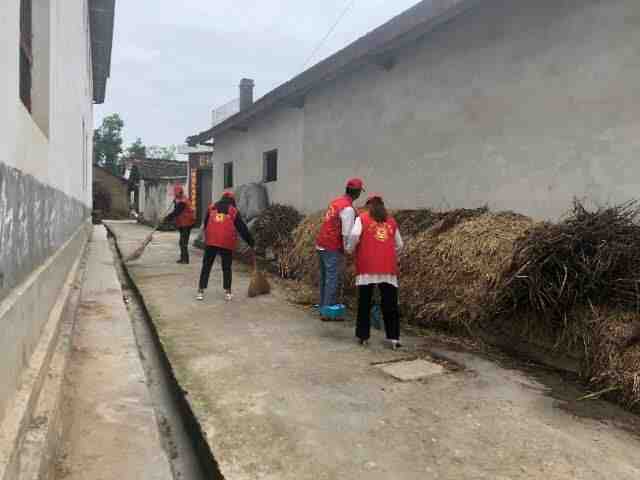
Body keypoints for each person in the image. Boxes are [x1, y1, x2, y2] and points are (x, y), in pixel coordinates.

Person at [346, 194, 403, 349]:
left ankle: (363, 336)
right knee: (390, 303)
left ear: (368, 206)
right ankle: (394, 338)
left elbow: (354, 235)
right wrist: (389, 252)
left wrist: (350, 249)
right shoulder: (391, 221)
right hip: (387, 267)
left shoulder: (362, 218)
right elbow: (400, 244)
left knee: (365, 302)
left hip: (367, 266)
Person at [315, 178, 364, 320]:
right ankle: (328, 312)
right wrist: (348, 250)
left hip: (321, 243)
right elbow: (346, 233)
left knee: (325, 277)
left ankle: (323, 307)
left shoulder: (337, 202)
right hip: (332, 246)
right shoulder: (348, 209)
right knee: (332, 279)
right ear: (357, 193)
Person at [197, 191, 255, 301]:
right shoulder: (233, 211)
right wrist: (251, 242)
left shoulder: (211, 207)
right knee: (226, 267)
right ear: (232, 200)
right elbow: (242, 229)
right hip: (226, 241)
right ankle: (228, 292)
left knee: (207, 265)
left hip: (211, 241)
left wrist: (208, 237)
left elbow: (205, 224)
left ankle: (200, 291)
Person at [165, 184, 195, 264]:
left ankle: (185, 259)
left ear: (179, 192)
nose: (174, 194)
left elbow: (176, 212)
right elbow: (176, 210)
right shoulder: (180, 200)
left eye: (175, 193)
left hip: (186, 223)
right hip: (183, 223)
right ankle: (183, 258)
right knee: (182, 242)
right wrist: (175, 202)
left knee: (183, 242)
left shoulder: (183, 202)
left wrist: (167, 218)